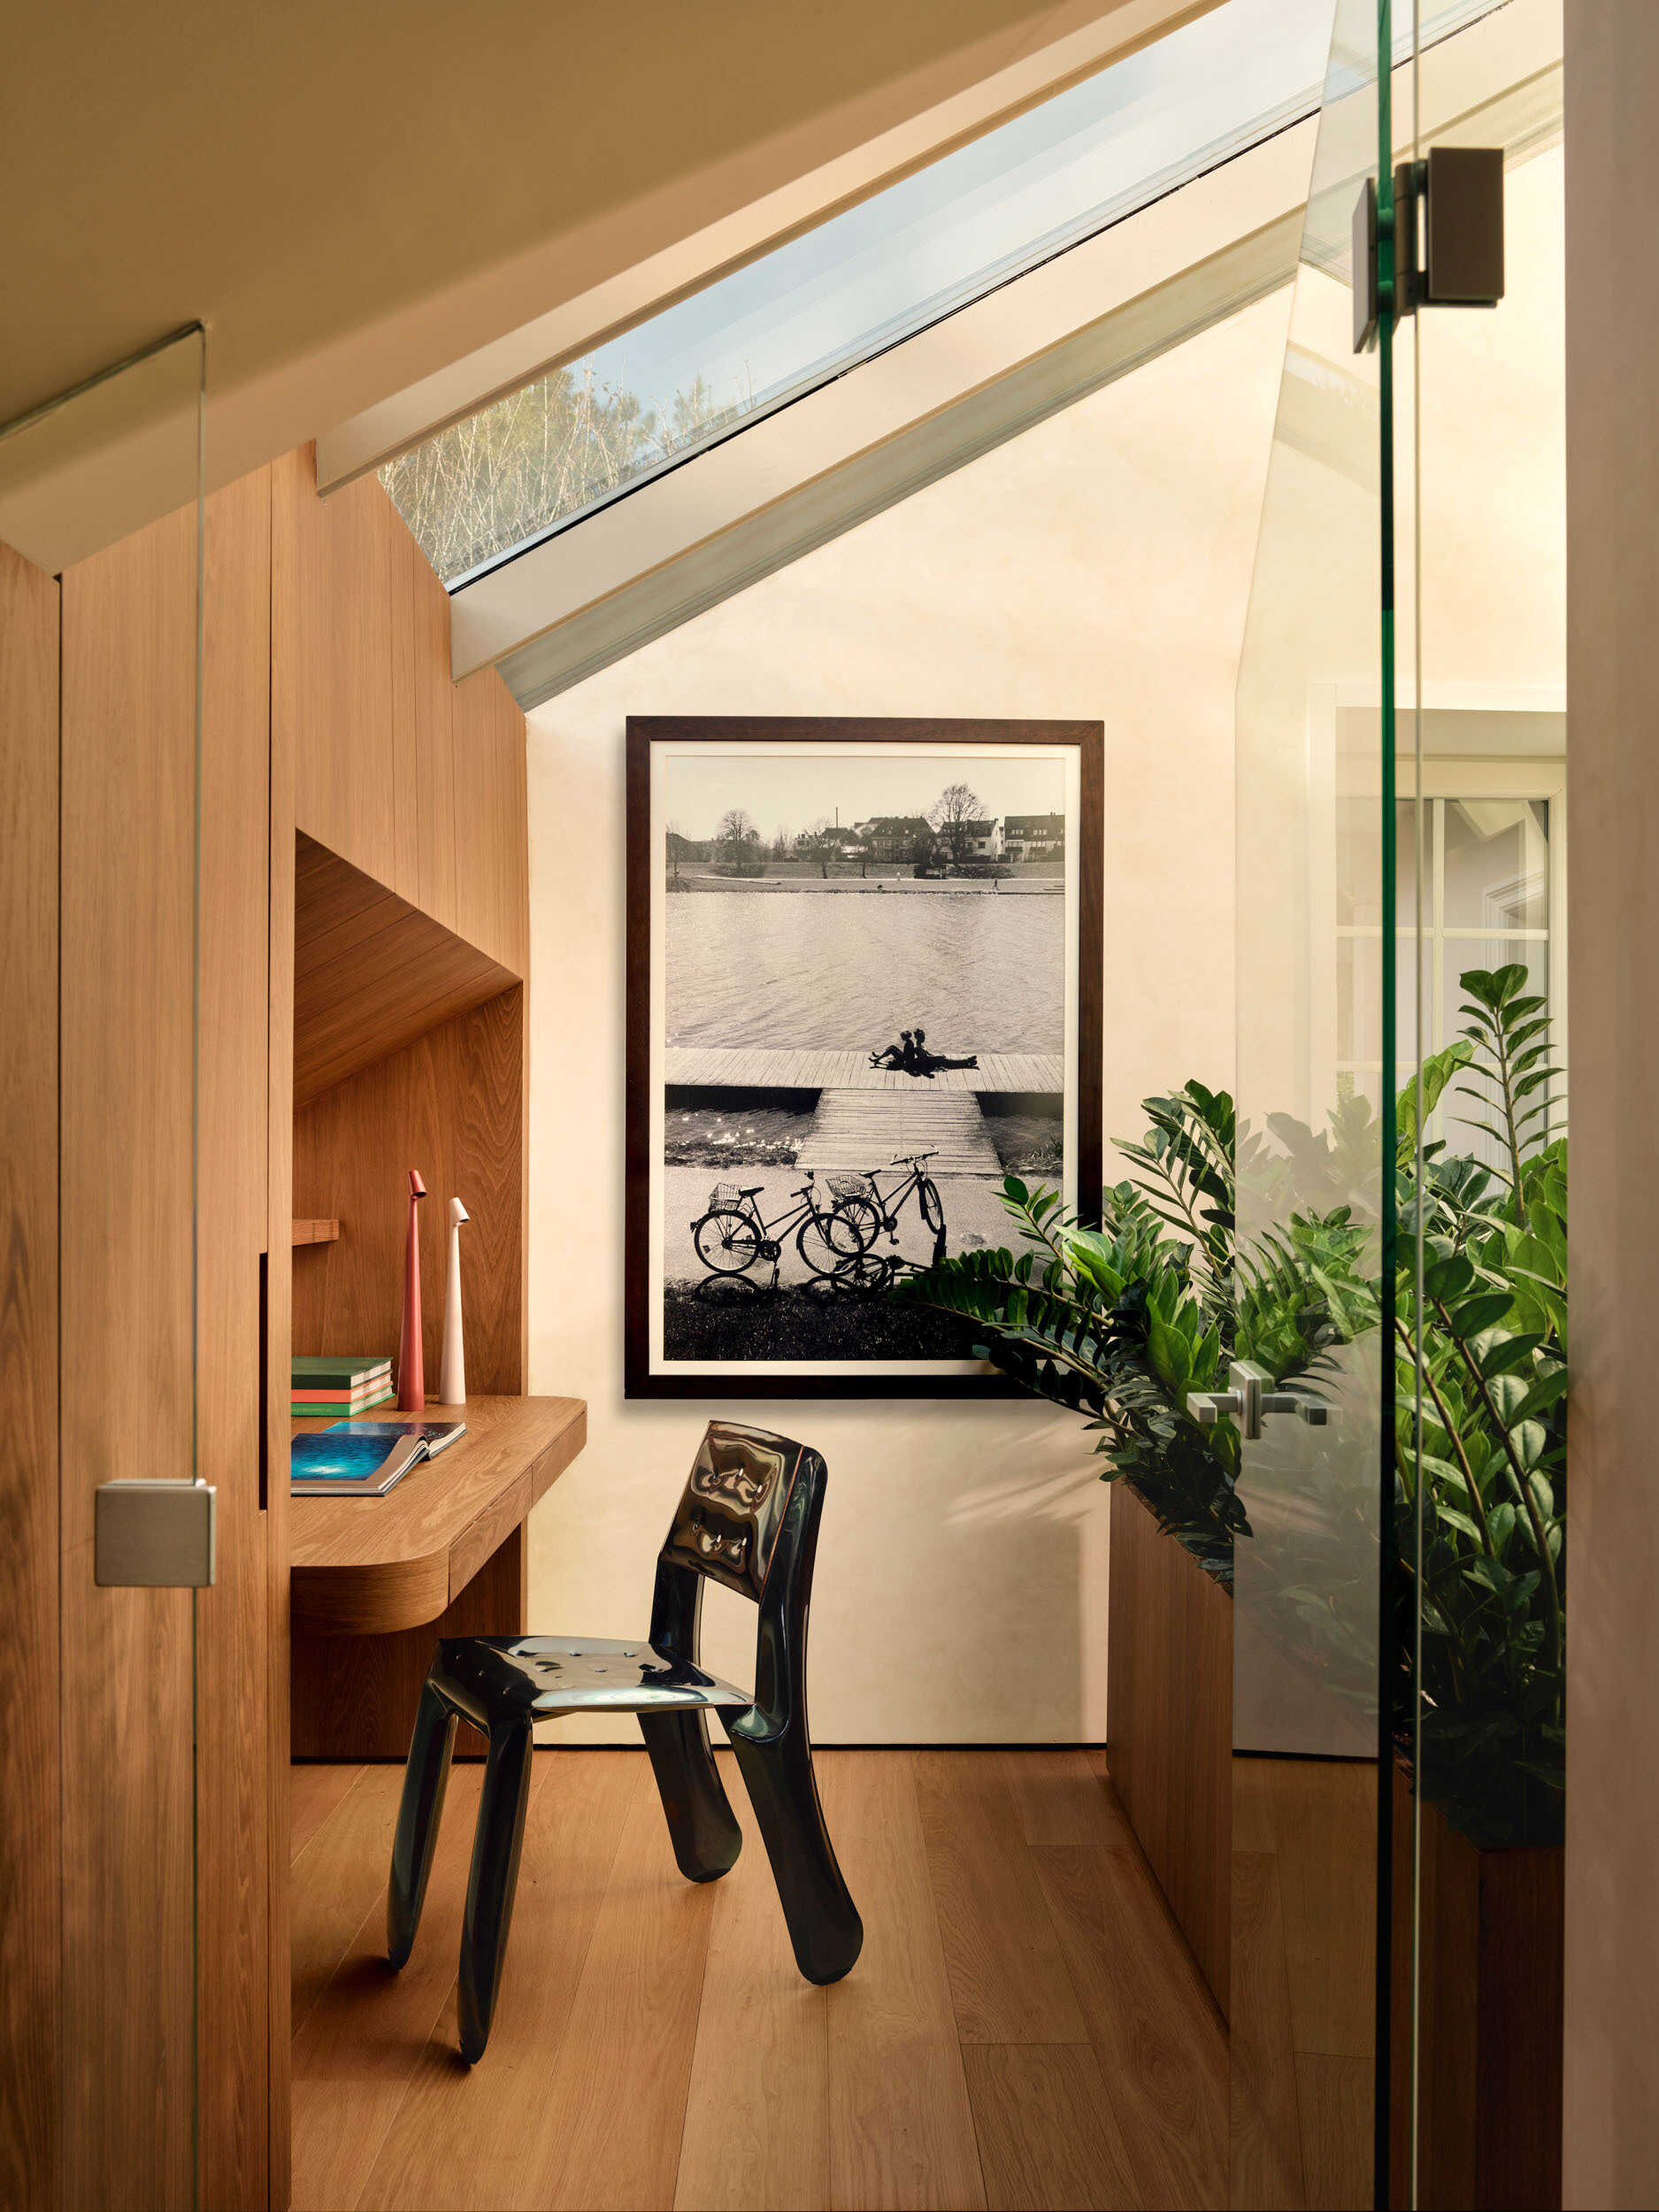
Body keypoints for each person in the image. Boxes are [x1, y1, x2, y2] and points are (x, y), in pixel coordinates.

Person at [910, 1026, 978, 1075]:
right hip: (928, 1063)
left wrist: (936, 1056)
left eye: (924, 1037)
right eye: (923, 1037)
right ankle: (968, 1062)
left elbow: (928, 1054)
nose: (924, 1038)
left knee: (949, 1061)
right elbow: (926, 1058)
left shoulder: (920, 1044)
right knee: (949, 1063)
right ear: (918, 1037)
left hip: (930, 1060)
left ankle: (968, 1061)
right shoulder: (917, 1047)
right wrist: (938, 1057)